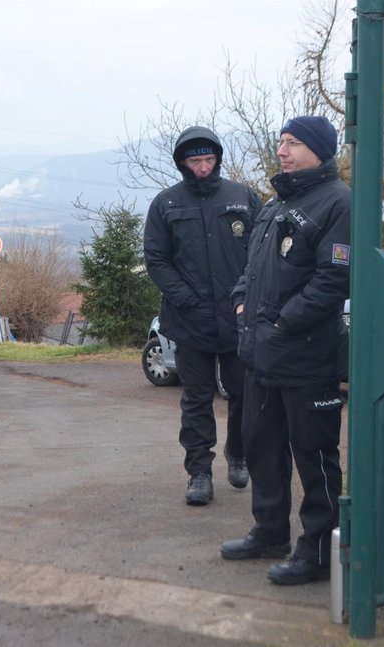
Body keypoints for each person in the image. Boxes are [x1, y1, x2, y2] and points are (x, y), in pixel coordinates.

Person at [220, 115, 350, 585]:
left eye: (293, 143)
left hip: (307, 357)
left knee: (314, 456)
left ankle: (316, 551)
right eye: (281, 142)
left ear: (320, 150)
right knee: (261, 449)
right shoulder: (276, 204)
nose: (283, 150)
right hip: (260, 355)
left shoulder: (338, 202)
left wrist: (281, 323)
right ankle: (269, 530)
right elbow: (251, 270)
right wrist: (240, 303)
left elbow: (334, 280)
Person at [144, 126, 262, 506]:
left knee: (243, 393)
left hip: (237, 317)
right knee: (196, 398)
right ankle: (199, 472)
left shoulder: (242, 197)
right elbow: (156, 259)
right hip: (188, 320)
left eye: (208, 159)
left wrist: (247, 297)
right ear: (182, 162)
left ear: (218, 159)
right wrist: (184, 298)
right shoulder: (166, 204)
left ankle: (238, 454)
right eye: (195, 161)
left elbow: (261, 251)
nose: (202, 167)